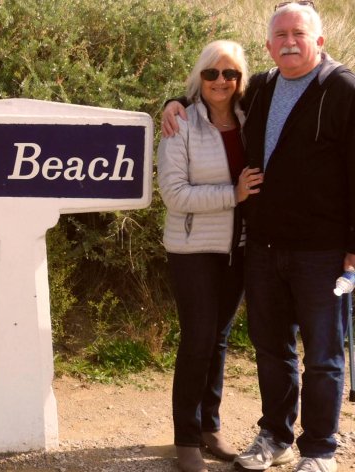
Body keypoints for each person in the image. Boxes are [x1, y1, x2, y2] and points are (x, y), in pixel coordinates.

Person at [162, 3, 355, 471]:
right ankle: (275, 437)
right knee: (271, 349)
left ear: (319, 41)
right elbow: (213, 95)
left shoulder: (342, 88)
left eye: (299, 33)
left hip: (323, 253)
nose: (289, 41)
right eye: (280, 35)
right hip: (263, 249)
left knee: (325, 355)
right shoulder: (264, 87)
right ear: (268, 47)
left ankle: (319, 450)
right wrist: (173, 100)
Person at [158, 39, 262, 472]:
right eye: (212, 73)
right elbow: (173, 194)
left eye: (230, 74)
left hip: (237, 249)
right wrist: (233, 195)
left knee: (217, 340)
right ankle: (185, 438)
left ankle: (209, 426)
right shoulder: (179, 122)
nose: (221, 81)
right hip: (193, 247)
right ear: (199, 77)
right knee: (198, 339)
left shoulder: (250, 118)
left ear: (241, 80)